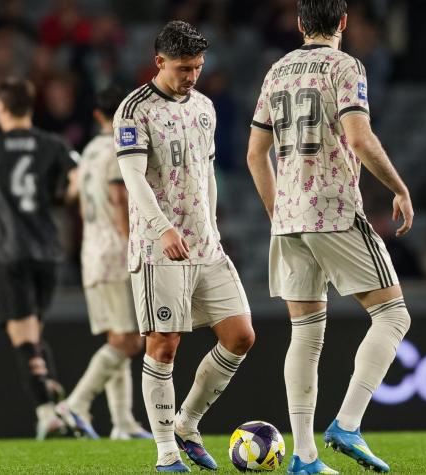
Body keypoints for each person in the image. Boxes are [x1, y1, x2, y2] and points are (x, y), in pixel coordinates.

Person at [247, 1, 413, 473]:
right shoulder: (346, 66)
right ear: (343, 22)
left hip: (290, 218)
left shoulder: (276, 71)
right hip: (334, 209)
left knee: (306, 334)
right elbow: (359, 138)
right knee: (392, 316)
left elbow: (255, 155)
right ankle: (348, 423)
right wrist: (398, 188)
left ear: (300, 25)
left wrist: (279, 212)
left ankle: (304, 456)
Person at [113, 21, 255, 473]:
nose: (191, 75)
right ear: (159, 62)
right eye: (182, 68)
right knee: (164, 344)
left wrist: (210, 225)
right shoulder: (134, 110)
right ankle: (166, 454)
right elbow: (133, 178)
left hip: (205, 244)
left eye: (197, 67)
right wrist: (162, 229)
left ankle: (186, 423)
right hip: (159, 249)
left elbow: (206, 173)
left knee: (240, 336)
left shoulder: (206, 108)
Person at [0, 77, 79, 440]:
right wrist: (63, 198)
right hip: (49, 254)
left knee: (23, 339)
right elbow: (79, 177)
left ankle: (47, 412)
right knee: (34, 334)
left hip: (12, 254)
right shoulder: (53, 144)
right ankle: (57, 403)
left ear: (1, 108)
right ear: (31, 108)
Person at [54, 86, 151, 441]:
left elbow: (72, 199)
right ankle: (75, 404)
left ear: (97, 115)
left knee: (117, 335)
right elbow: (118, 196)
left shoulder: (89, 150)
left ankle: (122, 423)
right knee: (129, 341)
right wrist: (131, 244)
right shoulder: (119, 146)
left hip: (91, 252)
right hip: (115, 252)